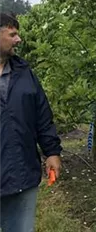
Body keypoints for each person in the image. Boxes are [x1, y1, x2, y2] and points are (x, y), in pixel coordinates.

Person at [0, 12, 62, 232]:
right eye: (12, 34)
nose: (19, 40)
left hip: (21, 174)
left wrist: (52, 152)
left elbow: (42, 116)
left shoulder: (25, 73)